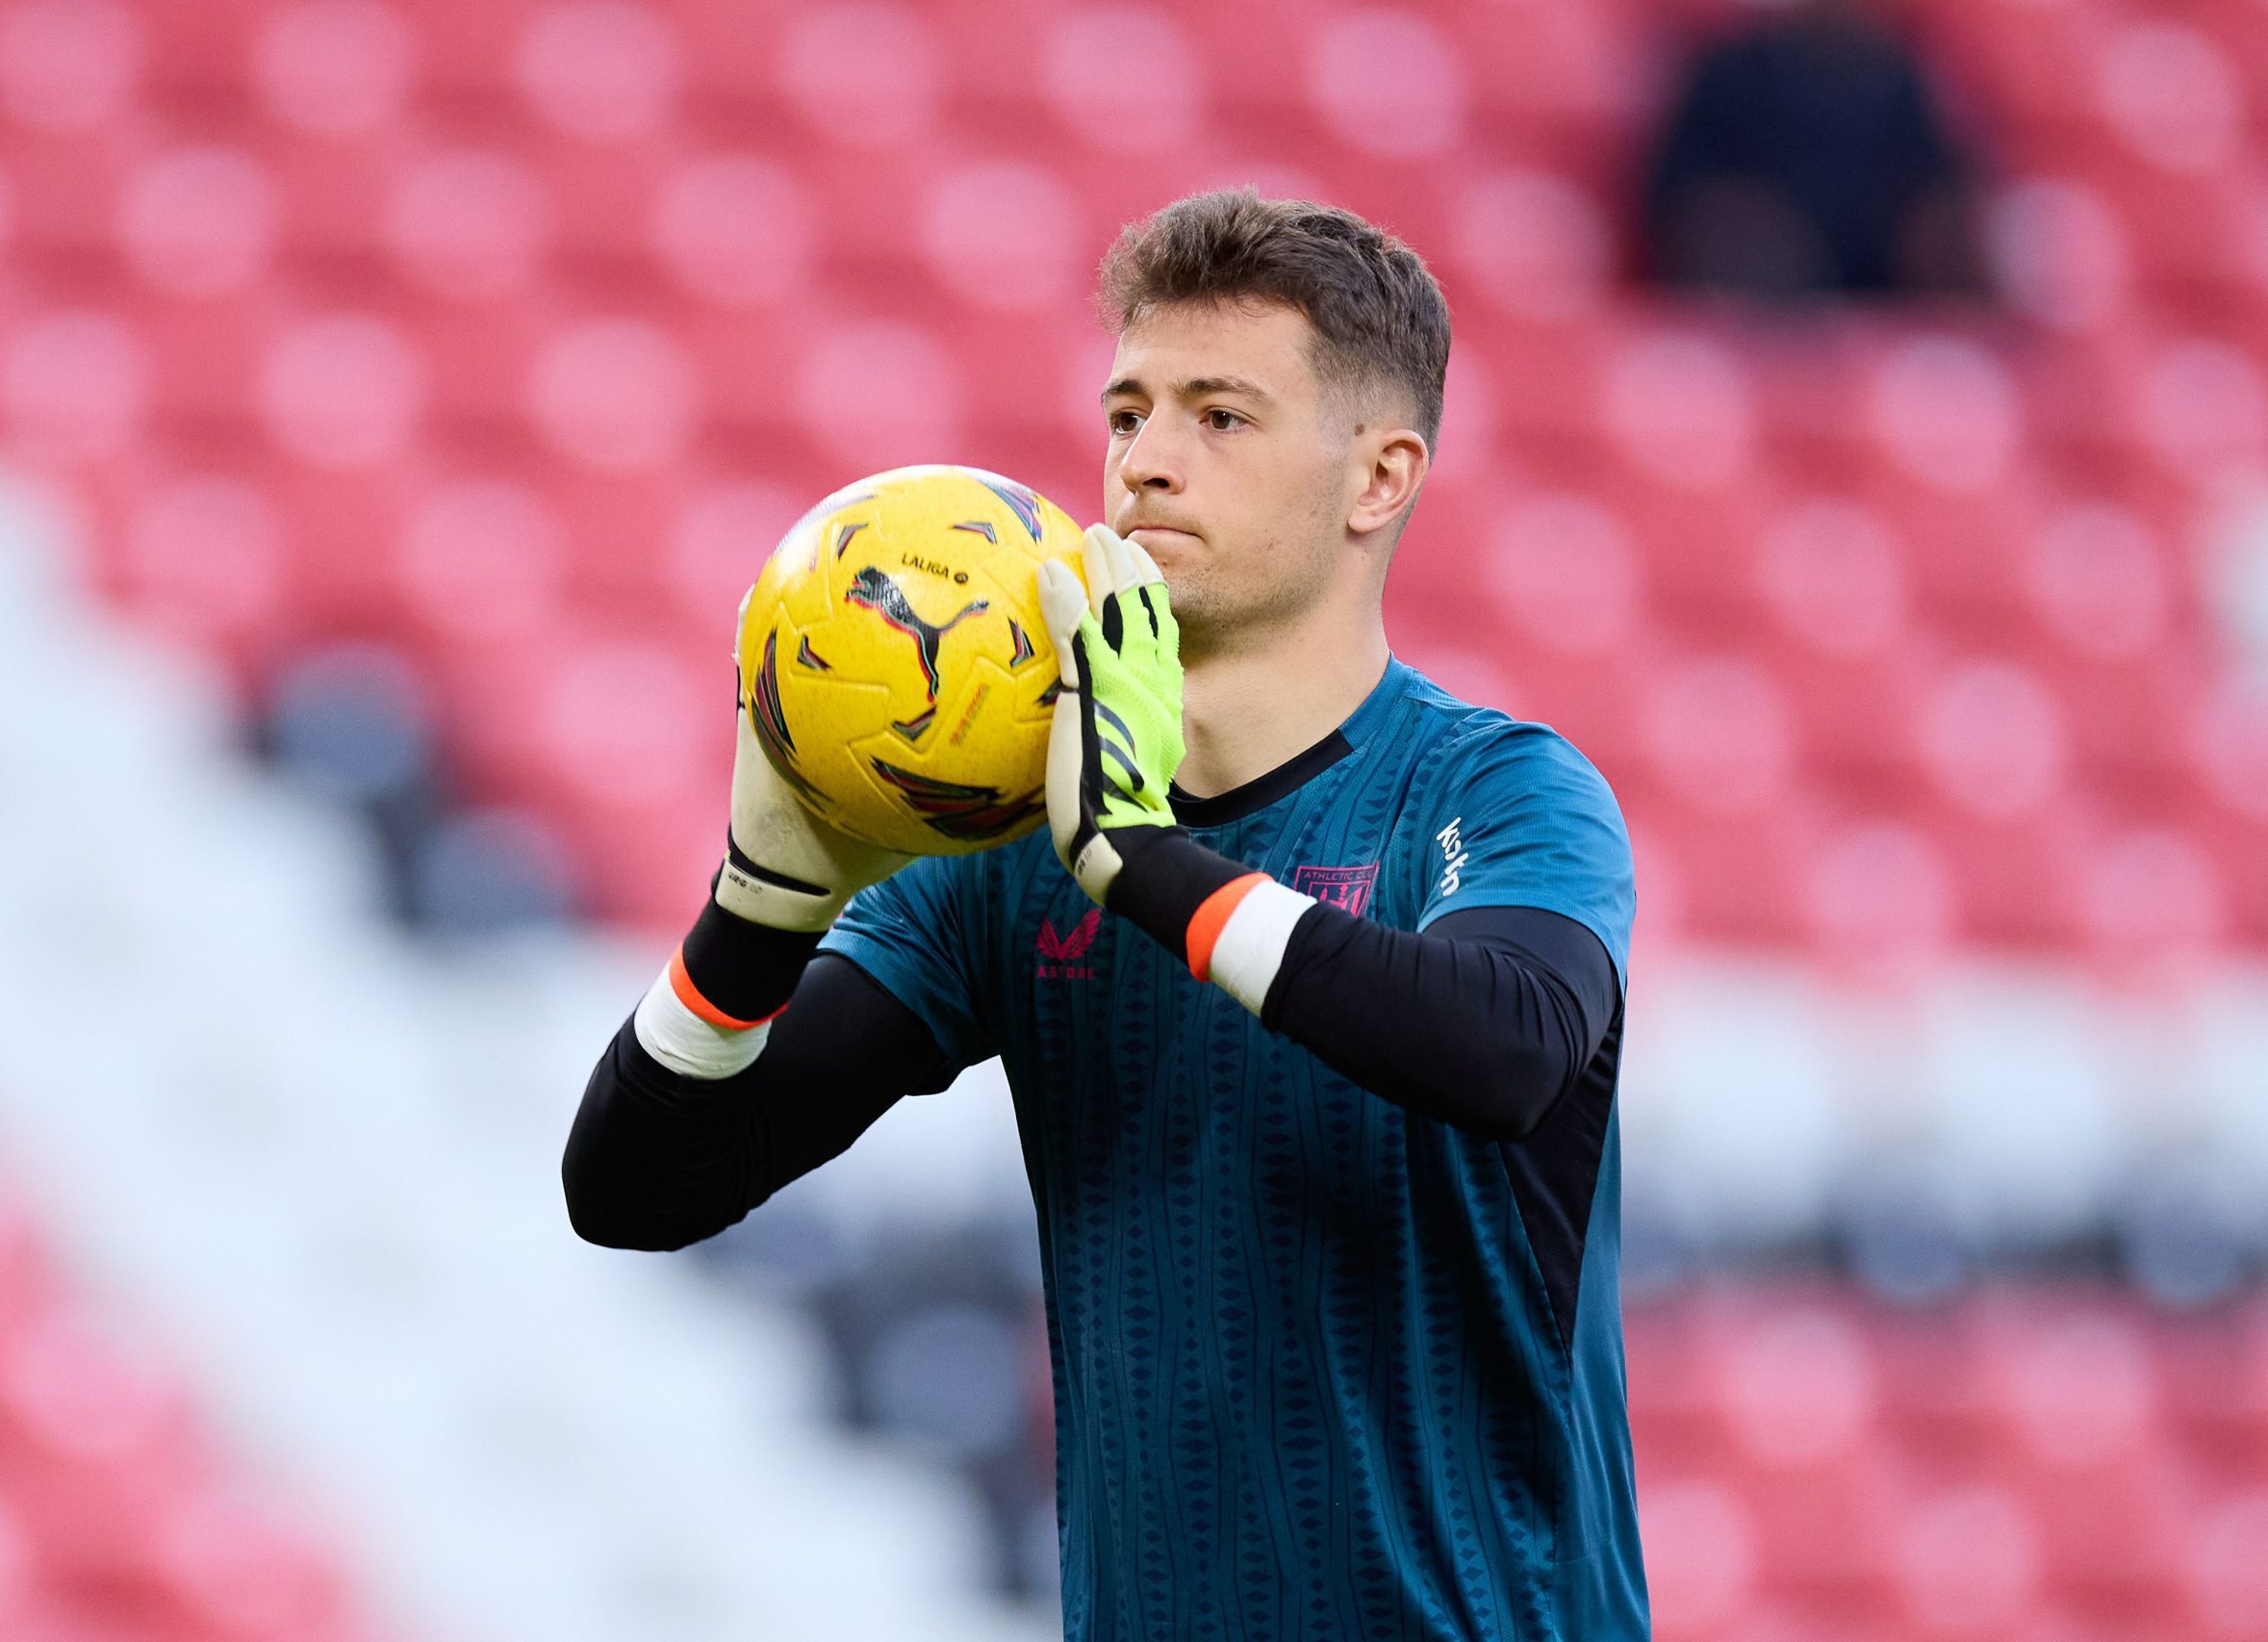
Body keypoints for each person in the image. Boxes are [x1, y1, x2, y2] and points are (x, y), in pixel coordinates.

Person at [566, 190, 1644, 1641]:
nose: (1145, 462)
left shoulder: (1498, 789)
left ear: (1378, 479)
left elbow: (1504, 1049)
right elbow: (635, 1189)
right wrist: (755, 914)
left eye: (1221, 415)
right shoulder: (1021, 854)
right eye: (1128, 411)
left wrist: (1144, 865)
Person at [1641, 0, 1985, 300]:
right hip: (1761, 297)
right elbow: (1679, 194)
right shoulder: (1732, 71)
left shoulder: (1898, 78)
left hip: (1887, 286)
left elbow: (1934, 189)